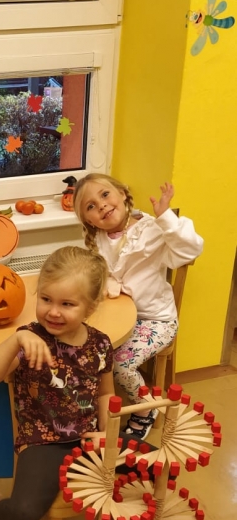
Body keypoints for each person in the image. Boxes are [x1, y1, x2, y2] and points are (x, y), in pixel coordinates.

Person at [0, 246, 114, 520]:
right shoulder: (30, 339)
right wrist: (16, 339)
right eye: (46, 299)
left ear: (90, 307)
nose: (53, 311)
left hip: (89, 439)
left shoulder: (100, 343)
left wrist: (107, 432)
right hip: (43, 443)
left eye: (67, 304)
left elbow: (106, 393)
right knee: (25, 512)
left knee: (152, 461)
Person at [73, 174, 203, 440]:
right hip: (118, 317)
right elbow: (95, 276)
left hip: (155, 320)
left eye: (105, 195)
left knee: (120, 365)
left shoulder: (151, 228)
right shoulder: (98, 239)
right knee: (84, 353)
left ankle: (145, 409)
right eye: (91, 206)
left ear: (122, 194)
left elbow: (190, 250)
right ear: (89, 220)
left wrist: (166, 217)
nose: (101, 205)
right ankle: (93, 410)